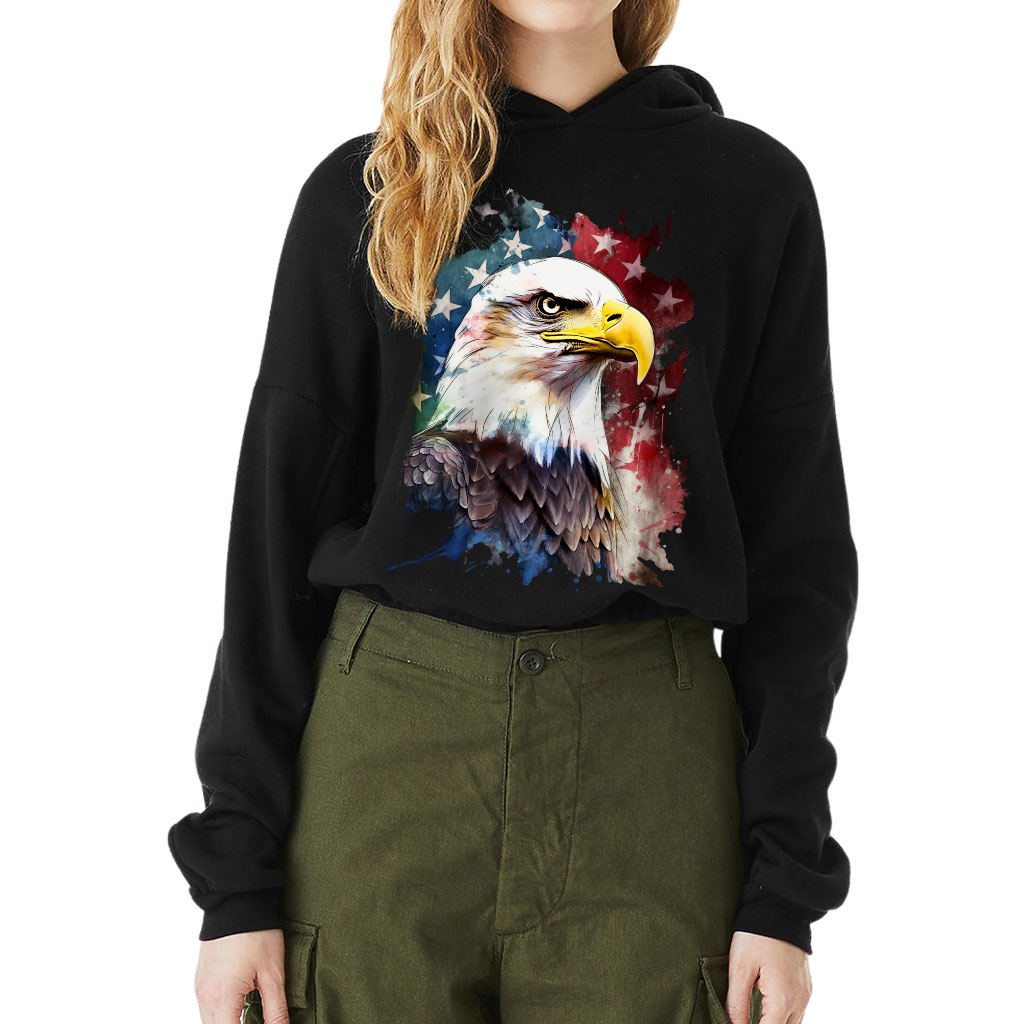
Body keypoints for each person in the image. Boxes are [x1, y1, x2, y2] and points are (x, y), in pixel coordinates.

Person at [167, 1, 858, 1022]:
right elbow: (270, 542)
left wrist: (783, 881)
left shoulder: (751, 189)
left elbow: (799, 554)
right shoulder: (370, 188)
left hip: (651, 768)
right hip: (386, 755)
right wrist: (237, 880)